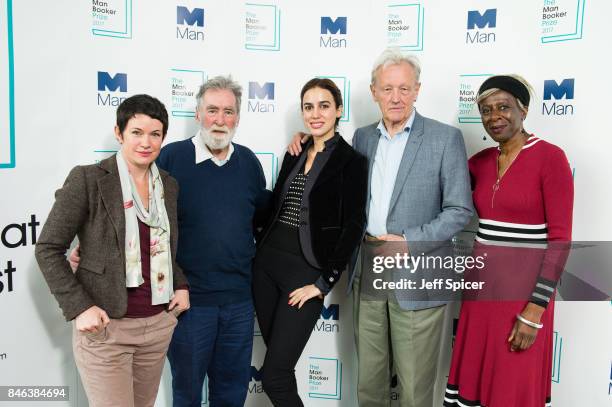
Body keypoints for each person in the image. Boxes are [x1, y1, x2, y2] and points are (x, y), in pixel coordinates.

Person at [290, 48, 473, 407]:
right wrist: (303, 138)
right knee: (370, 381)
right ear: (374, 92)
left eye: (404, 89)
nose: (396, 97)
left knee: (415, 385)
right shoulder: (363, 138)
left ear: (417, 90)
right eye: (387, 88)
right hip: (368, 269)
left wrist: (409, 241)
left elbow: (459, 210)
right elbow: (328, 158)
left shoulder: (444, 139)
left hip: (418, 272)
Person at [35, 94, 190, 407]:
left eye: (155, 134)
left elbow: (160, 248)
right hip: (107, 330)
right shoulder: (89, 179)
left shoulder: (168, 185)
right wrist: (79, 307)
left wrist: (182, 284)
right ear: (119, 134)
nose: (146, 142)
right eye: (136, 132)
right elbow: (48, 248)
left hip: (157, 325)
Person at [444, 75, 573, 407]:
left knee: (512, 386)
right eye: (486, 110)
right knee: (476, 382)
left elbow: (560, 241)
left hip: (523, 298)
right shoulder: (480, 162)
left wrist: (534, 311)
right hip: (479, 294)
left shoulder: (551, 158)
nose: (494, 116)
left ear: (523, 110)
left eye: (504, 107)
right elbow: (435, 174)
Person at [156, 76, 271, 407]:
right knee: (188, 394)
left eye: (229, 112)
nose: (220, 120)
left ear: (238, 117)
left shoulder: (248, 162)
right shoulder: (171, 159)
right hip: (190, 303)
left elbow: (259, 222)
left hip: (238, 302)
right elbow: (153, 229)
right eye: (212, 110)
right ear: (197, 114)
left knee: (231, 394)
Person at [253, 78, 368, 406]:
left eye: (324, 105)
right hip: (265, 268)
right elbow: (277, 203)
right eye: (308, 106)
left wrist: (322, 283)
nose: (315, 113)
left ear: (338, 110)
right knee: (280, 371)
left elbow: (354, 225)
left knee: (273, 376)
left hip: (304, 276)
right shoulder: (295, 150)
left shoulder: (352, 162)